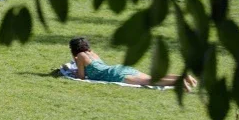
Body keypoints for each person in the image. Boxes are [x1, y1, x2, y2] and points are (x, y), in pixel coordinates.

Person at [69, 37, 197, 90]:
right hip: (118, 69)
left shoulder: (80, 56)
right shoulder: (92, 53)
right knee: (151, 78)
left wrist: (72, 72)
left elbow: (81, 77)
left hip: (113, 75)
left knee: (149, 81)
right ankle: (183, 77)